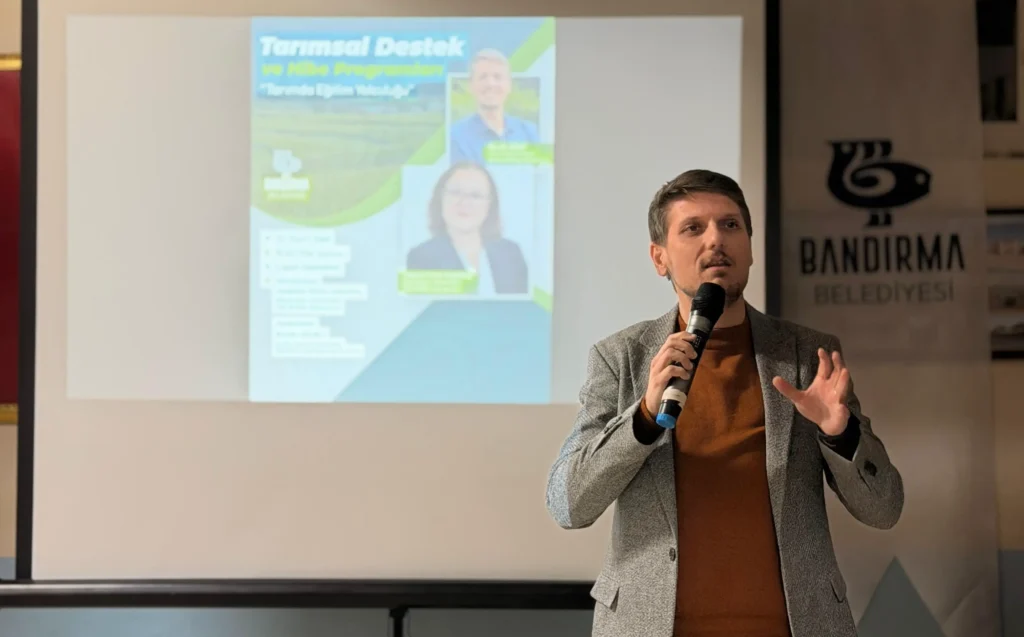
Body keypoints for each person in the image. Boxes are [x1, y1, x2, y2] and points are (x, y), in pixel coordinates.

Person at [545, 169, 903, 637]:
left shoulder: (806, 355)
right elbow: (568, 503)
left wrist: (842, 434)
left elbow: (883, 508)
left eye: (730, 225)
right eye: (693, 228)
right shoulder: (622, 358)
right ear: (659, 257)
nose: (716, 239)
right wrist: (644, 419)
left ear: (749, 248)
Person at [406, 161, 528, 295]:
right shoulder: (422, 257)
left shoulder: (511, 254)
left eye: (475, 195)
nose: (464, 202)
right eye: (455, 193)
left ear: (490, 205)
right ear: (440, 199)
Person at [449, 49, 539, 165]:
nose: (490, 84)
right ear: (471, 85)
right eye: (483, 77)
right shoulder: (455, 137)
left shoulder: (530, 132)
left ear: (509, 85)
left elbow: (540, 173)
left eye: (497, 77)